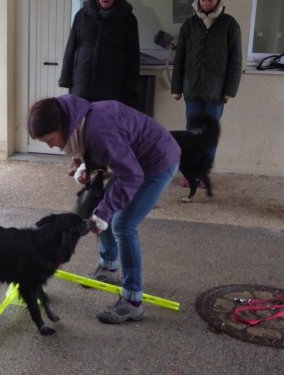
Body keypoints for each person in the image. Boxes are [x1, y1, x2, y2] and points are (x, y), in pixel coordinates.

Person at [28, 94, 180, 324]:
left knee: (122, 224)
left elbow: (131, 174)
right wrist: (88, 166)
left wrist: (105, 212)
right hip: (135, 162)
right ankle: (109, 268)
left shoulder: (97, 129)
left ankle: (132, 301)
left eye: (50, 139)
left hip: (157, 162)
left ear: (63, 126)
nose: (52, 146)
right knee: (103, 210)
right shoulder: (80, 120)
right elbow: (107, 152)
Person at [58, 0, 140, 176]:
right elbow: (71, 46)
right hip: (83, 79)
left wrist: (132, 84)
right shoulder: (82, 15)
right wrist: (66, 78)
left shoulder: (128, 18)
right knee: (78, 123)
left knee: (104, 125)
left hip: (111, 82)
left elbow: (133, 54)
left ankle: (100, 163)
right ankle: (77, 159)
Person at [171, 0, 242, 186]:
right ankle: (189, 173)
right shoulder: (189, 25)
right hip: (192, 90)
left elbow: (236, 59)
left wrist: (230, 90)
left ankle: (203, 172)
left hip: (216, 92)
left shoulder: (230, 25)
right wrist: (176, 87)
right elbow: (180, 58)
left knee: (209, 134)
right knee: (191, 134)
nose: (207, 2)